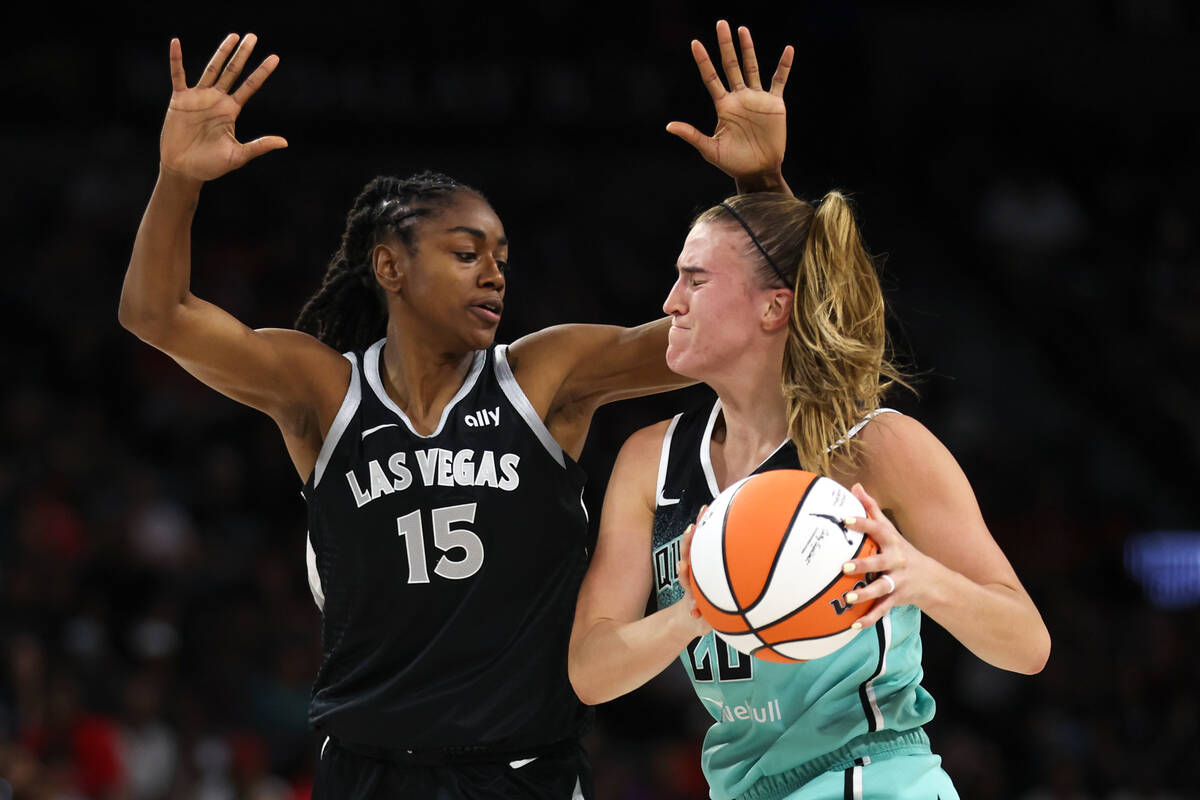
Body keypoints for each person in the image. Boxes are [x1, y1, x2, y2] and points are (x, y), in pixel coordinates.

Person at [118, 23, 794, 800]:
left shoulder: (544, 376)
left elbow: (729, 324)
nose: (494, 276)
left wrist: (763, 184)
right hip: (366, 771)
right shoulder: (325, 392)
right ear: (390, 266)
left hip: (521, 772)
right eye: (467, 254)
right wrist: (177, 178)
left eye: (503, 258)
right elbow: (156, 314)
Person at [568, 47, 1052, 800]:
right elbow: (592, 673)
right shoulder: (649, 461)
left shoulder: (876, 449)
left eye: (694, 280)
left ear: (773, 307)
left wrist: (919, 579)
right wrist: (693, 613)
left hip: (876, 775)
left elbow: (1027, 642)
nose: (669, 301)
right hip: (742, 784)